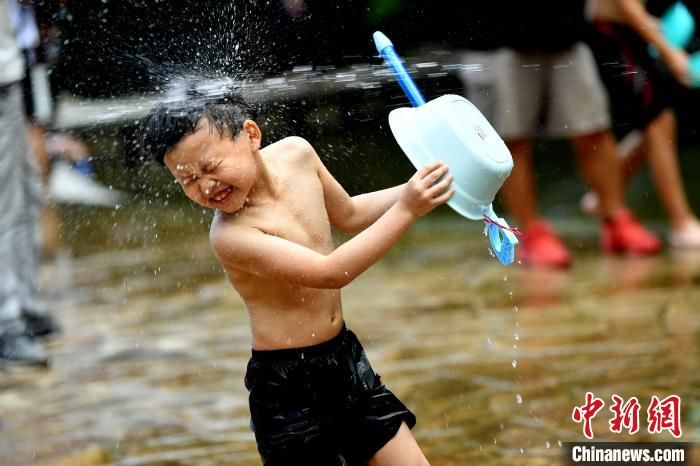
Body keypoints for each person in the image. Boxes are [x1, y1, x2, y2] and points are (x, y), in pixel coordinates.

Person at [140, 85, 451, 466]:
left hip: (344, 361)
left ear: (251, 135)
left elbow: (350, 214)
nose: (205, 186)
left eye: (210, 167)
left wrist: (419, 188)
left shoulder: (298, 154)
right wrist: (408, 209)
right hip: (288, 390)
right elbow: (331, 272)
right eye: (187, 180)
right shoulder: (231, 236)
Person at [457, 0, 661, 268]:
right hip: (498, 40)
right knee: (509, 141)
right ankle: (530, 232)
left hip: (567, 34)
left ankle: (616, 218)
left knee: (594, 129)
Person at [583, 0, 700, 248]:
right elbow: (626, 3)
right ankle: (681, 223)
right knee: (658, 119)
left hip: (629, 31)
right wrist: (667, 49)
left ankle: (605, 193)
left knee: (659, 122)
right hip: (611, 31)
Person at [0, 1, 54, 366]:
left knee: (24, 193)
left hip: (10, 68)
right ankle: (7, 322)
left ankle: (24, 305)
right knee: (4, 205)